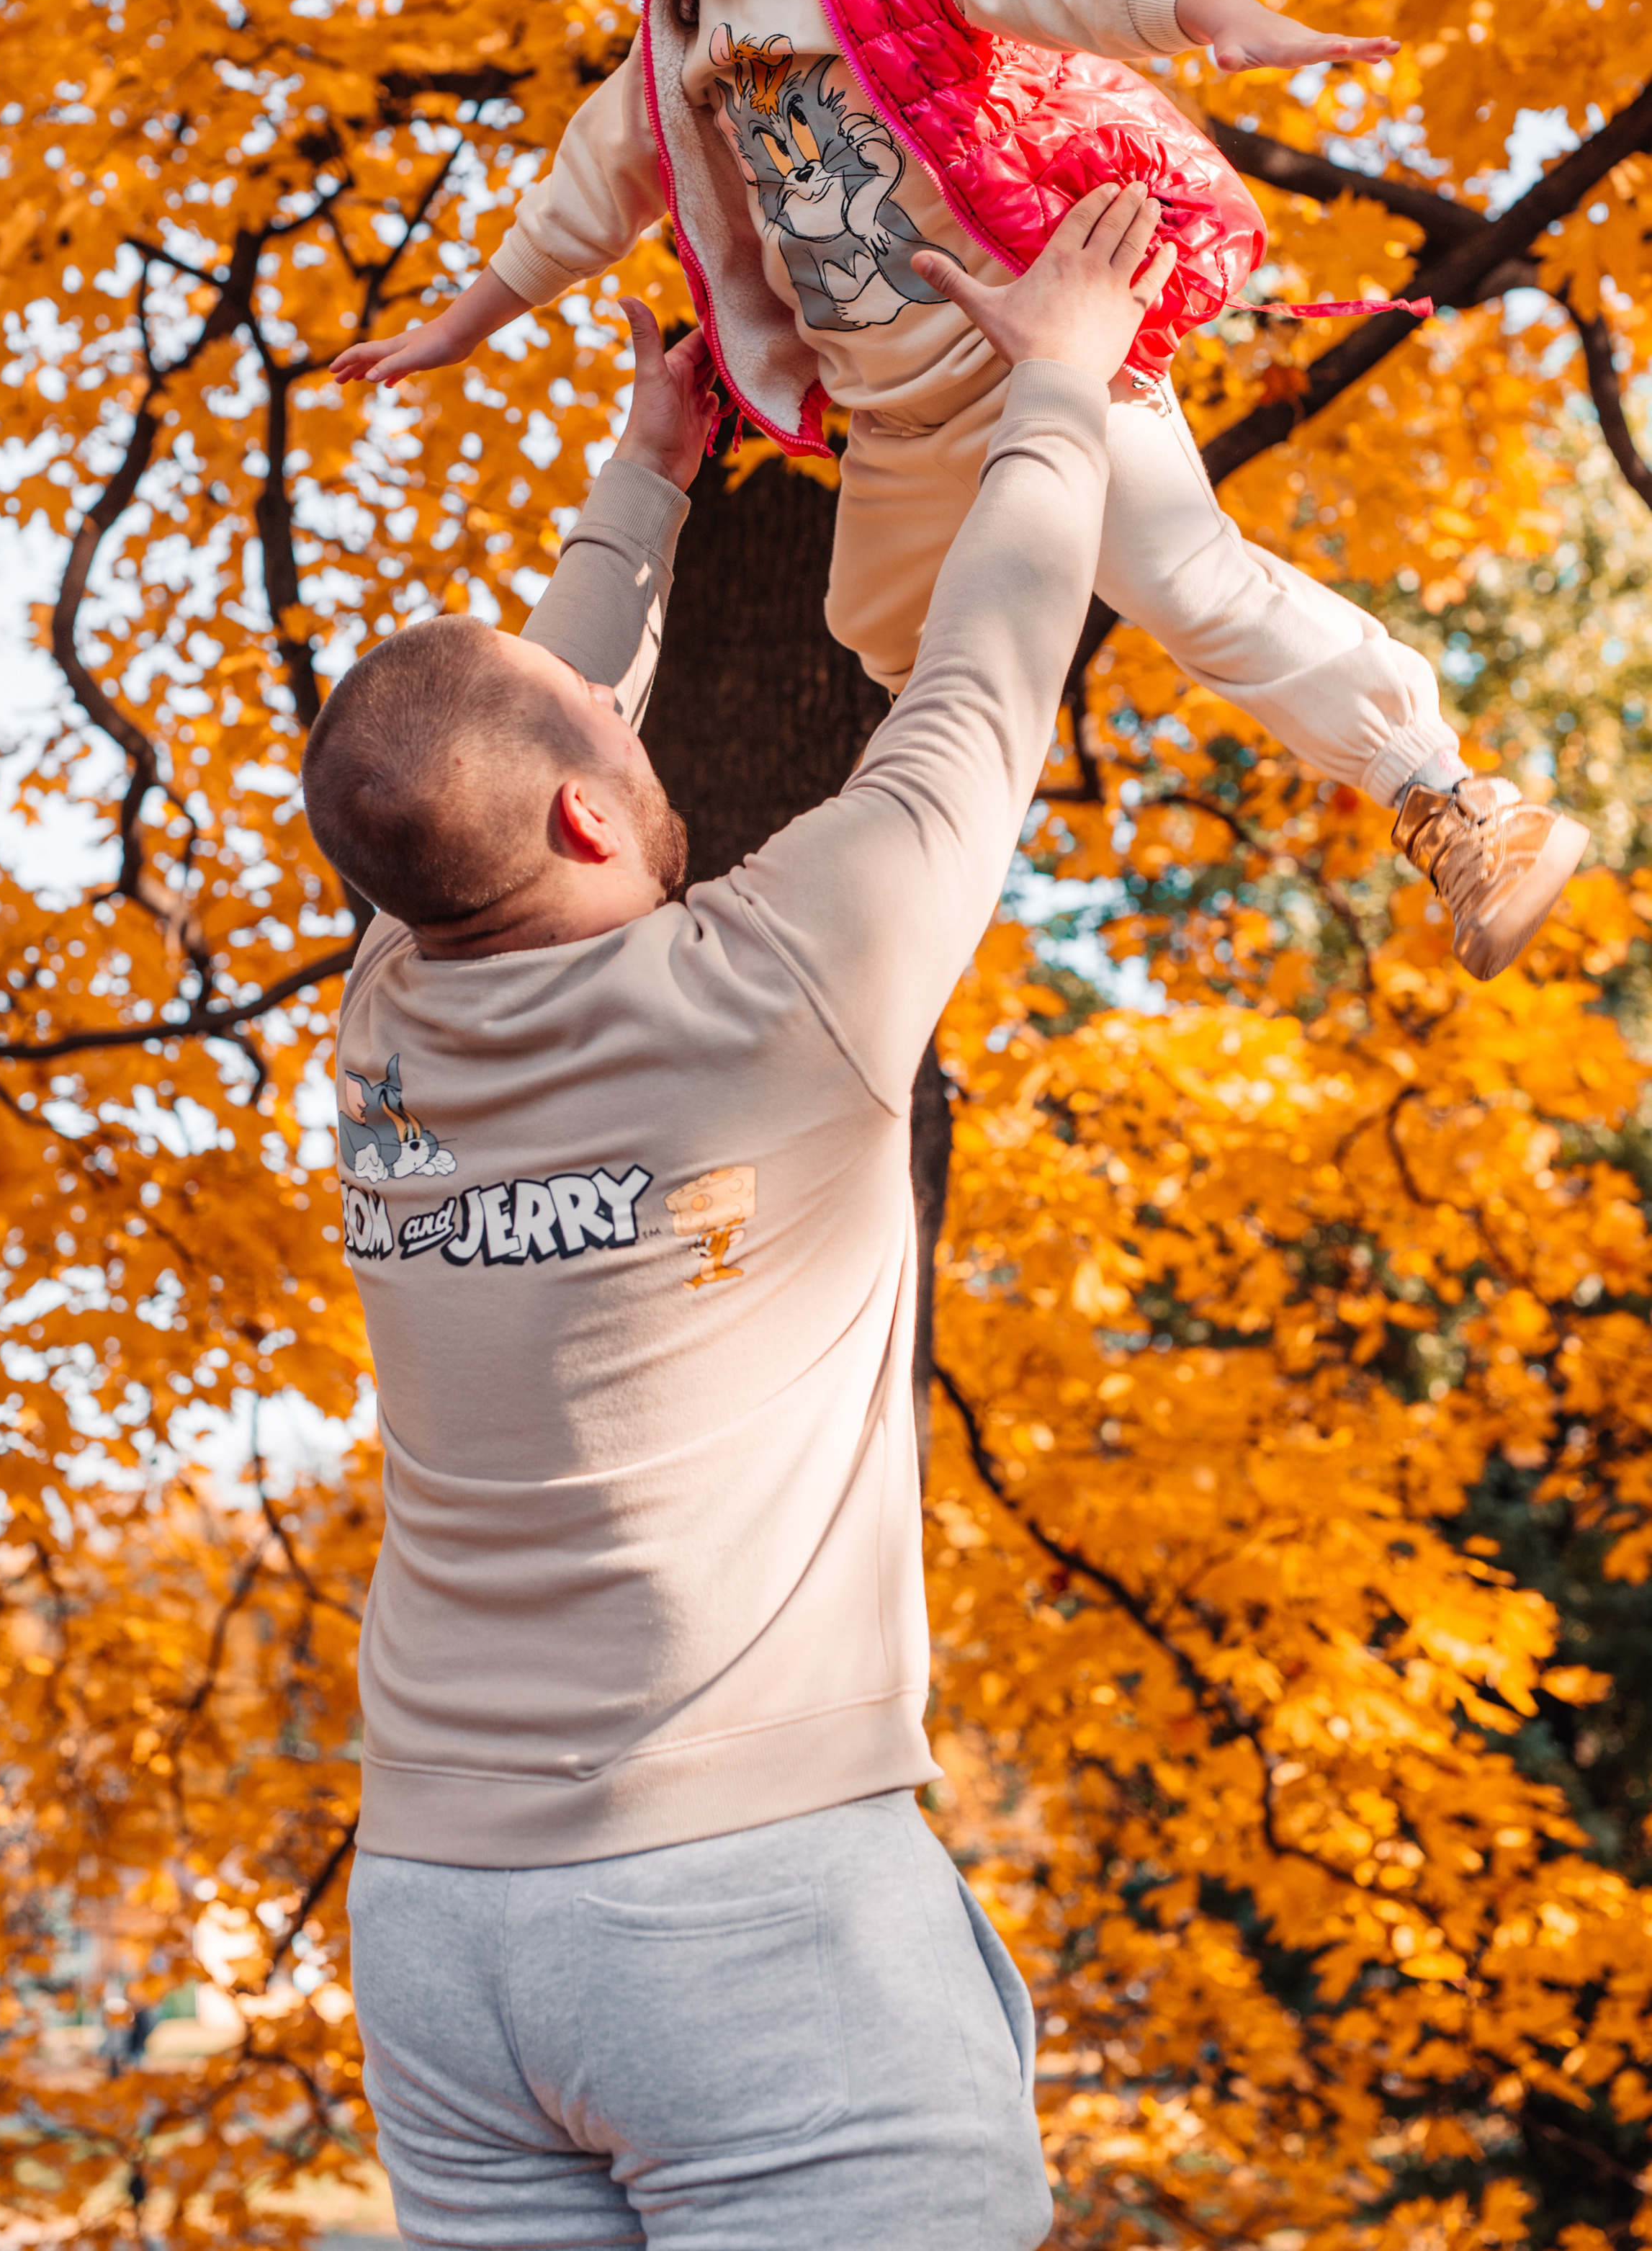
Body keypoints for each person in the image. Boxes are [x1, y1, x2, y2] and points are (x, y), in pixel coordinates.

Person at [302, 184, 1170, 2249]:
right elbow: (989, 658)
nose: (634, 701)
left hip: (439, 1927)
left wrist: (652, 471)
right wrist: (1059, 376)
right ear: (600, 808)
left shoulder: (387, 1023)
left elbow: (490, 754)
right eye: (616, 719)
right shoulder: (777, 981)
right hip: (747, 1908)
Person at [333, 0, 1587, 982]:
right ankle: (927, 863)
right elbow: (591, 186)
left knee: (1183, 576)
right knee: (873, 626)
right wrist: (455, 323)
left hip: (1047, 351)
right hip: (899, 414)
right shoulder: (683, 18)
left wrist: (1220, 18)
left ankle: (1453, 798)